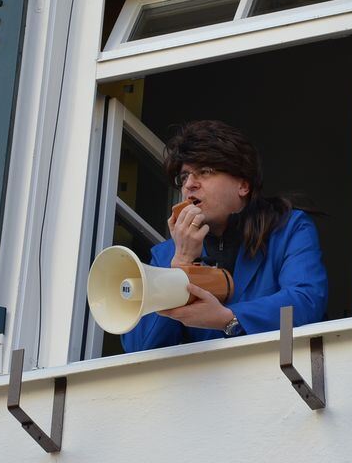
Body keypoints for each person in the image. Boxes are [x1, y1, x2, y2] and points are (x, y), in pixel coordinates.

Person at [121, 120, 328, 352]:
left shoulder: (288, 228)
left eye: (205, 171)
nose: (189, 184)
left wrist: (228, 318)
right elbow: (139, 349)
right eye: (184, 177)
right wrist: (181, 263)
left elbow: (306, 301)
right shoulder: (168, 255)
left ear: (243, 185)